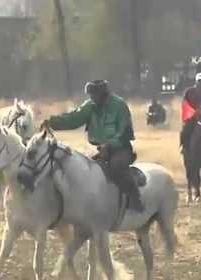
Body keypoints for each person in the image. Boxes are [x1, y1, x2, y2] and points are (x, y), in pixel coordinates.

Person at [40, 80, 144, 212]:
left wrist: (109, 145)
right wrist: (52, 122)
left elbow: (124, 132)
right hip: (100, 149)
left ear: (103, 94)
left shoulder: (119, 105)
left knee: (117, 166)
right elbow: (73, 118)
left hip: (120, 148)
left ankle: (135, 200)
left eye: (94, 95)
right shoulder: (90, 105)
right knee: (84, 169)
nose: (92, 98)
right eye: (90, 95)